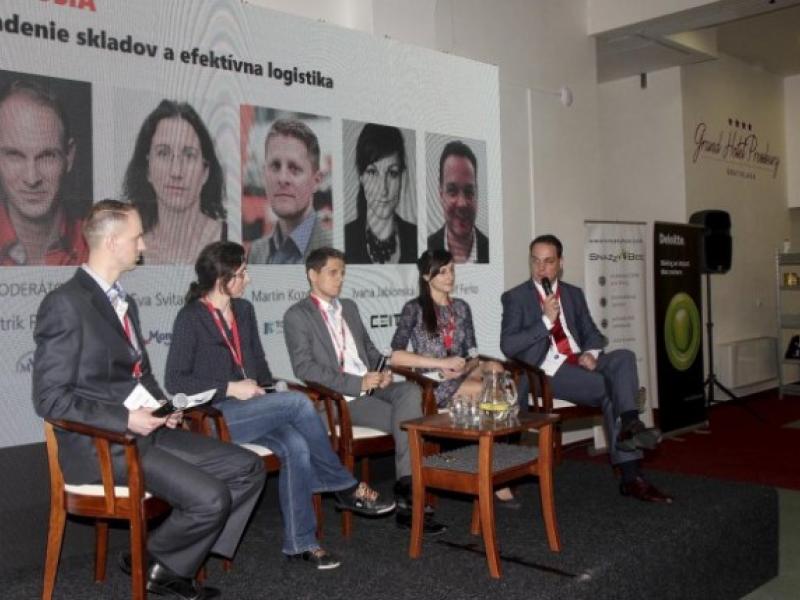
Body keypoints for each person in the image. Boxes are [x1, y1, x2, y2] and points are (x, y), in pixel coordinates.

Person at [32, 200, 265, 600]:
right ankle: (168, 562)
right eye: (137, 237)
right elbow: (49, 399)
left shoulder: (125, 301)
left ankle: (165, 560)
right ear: (111, 242)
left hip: (148, 433)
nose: (142, 245)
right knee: (212, 498)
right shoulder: (65, 303)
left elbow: (141, 375)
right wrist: (125, 419)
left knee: (248, 468)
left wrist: (165, 408)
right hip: (105, 446)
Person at [165, 241, 395, 571]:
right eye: (242, 273)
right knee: (298, 404)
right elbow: (176, 381)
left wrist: (270, 388)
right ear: (222, 278)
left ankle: (302, 543)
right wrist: (230, 387)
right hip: (216, 416)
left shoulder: (244, 311)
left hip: (254, 409)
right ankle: (344, 485)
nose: (248, 279)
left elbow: (259, 367)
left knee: (297, 445)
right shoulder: (191, 317)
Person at [283, 247, 447, 535]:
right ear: (312, 275)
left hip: (370, 385)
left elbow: (369, 351)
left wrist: (382, 372)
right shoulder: (297, 315)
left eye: (343, 273)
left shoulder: (349, 307)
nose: (340, 279)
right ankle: (410, 499)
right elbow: (305, 368)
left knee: (410, 392)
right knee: (408, 422)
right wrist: (357, 383)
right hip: (341, 397)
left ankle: (406, 487)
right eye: (333, 273)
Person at [500, 234, 672, 503]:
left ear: (560, 263)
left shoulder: (573, 294)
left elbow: (591, 333)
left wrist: (591, 353)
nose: (541, 268)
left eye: (548, 261)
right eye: (535, 261)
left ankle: (629, 425)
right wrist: (545, 322)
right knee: (612, 390)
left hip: (579, 361)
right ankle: (632, 473)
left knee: (624, 357)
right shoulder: (516, 297)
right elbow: (509, 345)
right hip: (548, 370)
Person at [390, 248, 517, 507]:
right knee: (485, 392)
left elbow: (472, 354)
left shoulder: (461, 307)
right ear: (426, 276)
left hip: (461, 373)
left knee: (495, 369)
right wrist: (441, 364)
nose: (449, 277)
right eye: (442, 272)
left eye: (451, 270)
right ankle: (494, 471)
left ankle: (493, 458)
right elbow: (396, 356)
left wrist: (465, 365)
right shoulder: (414, 309)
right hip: (432, 382)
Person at [122, 100, 226, 265]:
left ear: (205, 171)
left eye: (189, 155)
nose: (176, 172)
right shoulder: (127, 250)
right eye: (163, 153)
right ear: (147, 169)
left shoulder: (231, 238)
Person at [0, 79, 88, 266]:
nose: (32, 179)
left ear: (69, 156)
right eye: (15, 156)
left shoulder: (97, 245)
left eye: (47, 156)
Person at [248, 119, 331, 264]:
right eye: (275, 166)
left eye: (294, 168)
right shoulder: (256, 252)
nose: (282, 178)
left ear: (316, 181)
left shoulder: (334, 250)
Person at [344, 123, 416, 264]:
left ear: (402, 176)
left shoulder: (417, 236)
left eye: (392, 173)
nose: (383, 189)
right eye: (372, 172)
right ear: (361, 176)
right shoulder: (345, 238)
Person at [427, 140, 488, 264]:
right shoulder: (427, 248)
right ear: (441, 194)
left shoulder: (491, 250)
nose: (462, 203)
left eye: (469, 191)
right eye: (452, 191)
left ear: (477, 192)